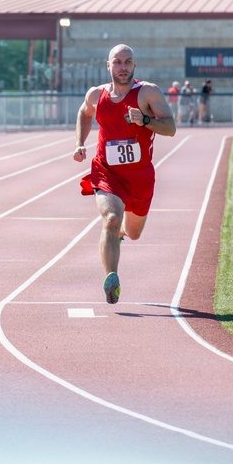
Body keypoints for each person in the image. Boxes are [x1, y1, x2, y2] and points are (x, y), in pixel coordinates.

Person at [73, 44, 176, 305]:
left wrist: (145, 120)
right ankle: (112, 277)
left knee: (133, 232)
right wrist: (79, 143)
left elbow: (171, 127)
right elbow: (84, 113)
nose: (122, 67)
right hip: (107, 171)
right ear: (108, 65)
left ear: (134, 65)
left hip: (140, 176)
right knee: (110, 218)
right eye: (117, 62)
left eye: (128, 62)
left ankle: (119, 235)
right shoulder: (96, 95)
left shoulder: (148, 92)